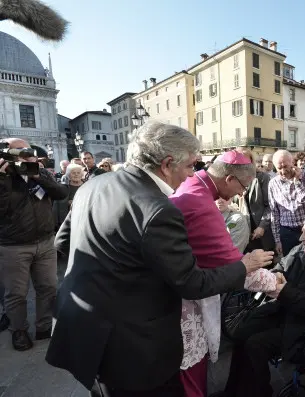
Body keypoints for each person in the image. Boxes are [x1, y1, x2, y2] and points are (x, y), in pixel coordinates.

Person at [46, 122, 273, 397]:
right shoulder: (158, 210)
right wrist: (244, 265)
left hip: (83, 327)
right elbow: (192, 284)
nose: (192, 174)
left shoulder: (93, 184)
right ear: (167, 164)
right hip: (131, 345)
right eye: (190, 166)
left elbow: (63, 242)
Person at [169, 150, 276, 397]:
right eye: (243, 186)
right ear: (229, 178)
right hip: (187, 301)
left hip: (174, 294)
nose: (242, 194)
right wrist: (274, 281)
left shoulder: (192, 184)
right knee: (190, 377)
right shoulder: (201, 203)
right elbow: (238, 267)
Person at [221, 215, 305, 397]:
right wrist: (275, 275)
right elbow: (282, 265)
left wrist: (286, 292)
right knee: (242, 330)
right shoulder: (302, 249)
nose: (300, 239)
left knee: (255, 345)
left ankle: (259, 392)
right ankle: (234, 391)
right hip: (285, 309)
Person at [0, 138, 68, 351]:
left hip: (45, 242)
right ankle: (18, 330)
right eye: (17, 151)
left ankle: (44, 327)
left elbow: (61, 193)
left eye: (27, 150)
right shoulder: (3, 176)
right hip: (14, 246)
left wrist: (37, 175)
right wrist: (3, 180)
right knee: (16, 293)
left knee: (48, 287)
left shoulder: (40, 172)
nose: (24, 155)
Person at [268, 150, 305, 256]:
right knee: (290, 264)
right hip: (286, 232)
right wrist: (277, 240)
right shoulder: (273, 183)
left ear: (292, 163)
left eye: (286, 166)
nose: (283, 171)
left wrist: (297, 183)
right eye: (279, 168)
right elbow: (274, 213)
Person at [235, 147, 275, 253]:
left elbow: (270, 205)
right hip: (242, 233)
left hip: (260, 233)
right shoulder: (233, 179)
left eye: (246, 161)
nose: (242, 164)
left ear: (251, 161)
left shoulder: (262, 178)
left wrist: (262, 226)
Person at [53, 163, 85, 230]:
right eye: (73, 173)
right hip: (67, 220)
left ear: (82, 175)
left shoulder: (87, 186)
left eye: (78, 173)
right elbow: (56, 206)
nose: (76, 174)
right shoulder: (62, 187)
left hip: (84, 220)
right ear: (69, 175)